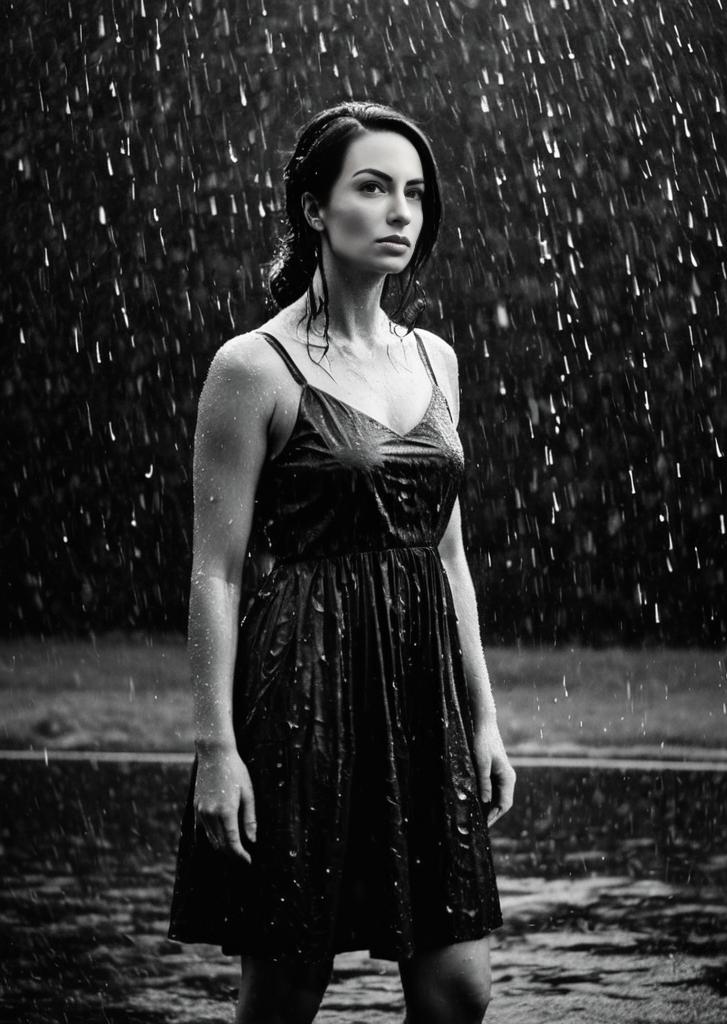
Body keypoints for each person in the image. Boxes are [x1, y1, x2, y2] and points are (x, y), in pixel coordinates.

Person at [168, 101, 517, 1024]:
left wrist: (483, 718)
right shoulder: (253, 366)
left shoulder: (436, 360)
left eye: (414, 193)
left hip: (422, 691)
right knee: (286, 990)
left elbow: (449, 554)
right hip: (301, 693)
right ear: (316, 209)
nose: (401, 211)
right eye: (373, 188)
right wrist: (216, 748)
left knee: (458, 993)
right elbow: (217, 571)